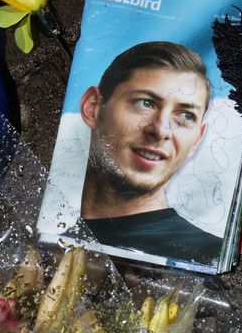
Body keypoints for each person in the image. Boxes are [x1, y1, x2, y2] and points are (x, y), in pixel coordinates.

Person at [78, 41, 224, 264]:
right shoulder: (49, 221)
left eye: (186, 116)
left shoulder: (208, 255)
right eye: (145, 103)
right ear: (93, 108)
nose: (161, 130)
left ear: (197, 139)